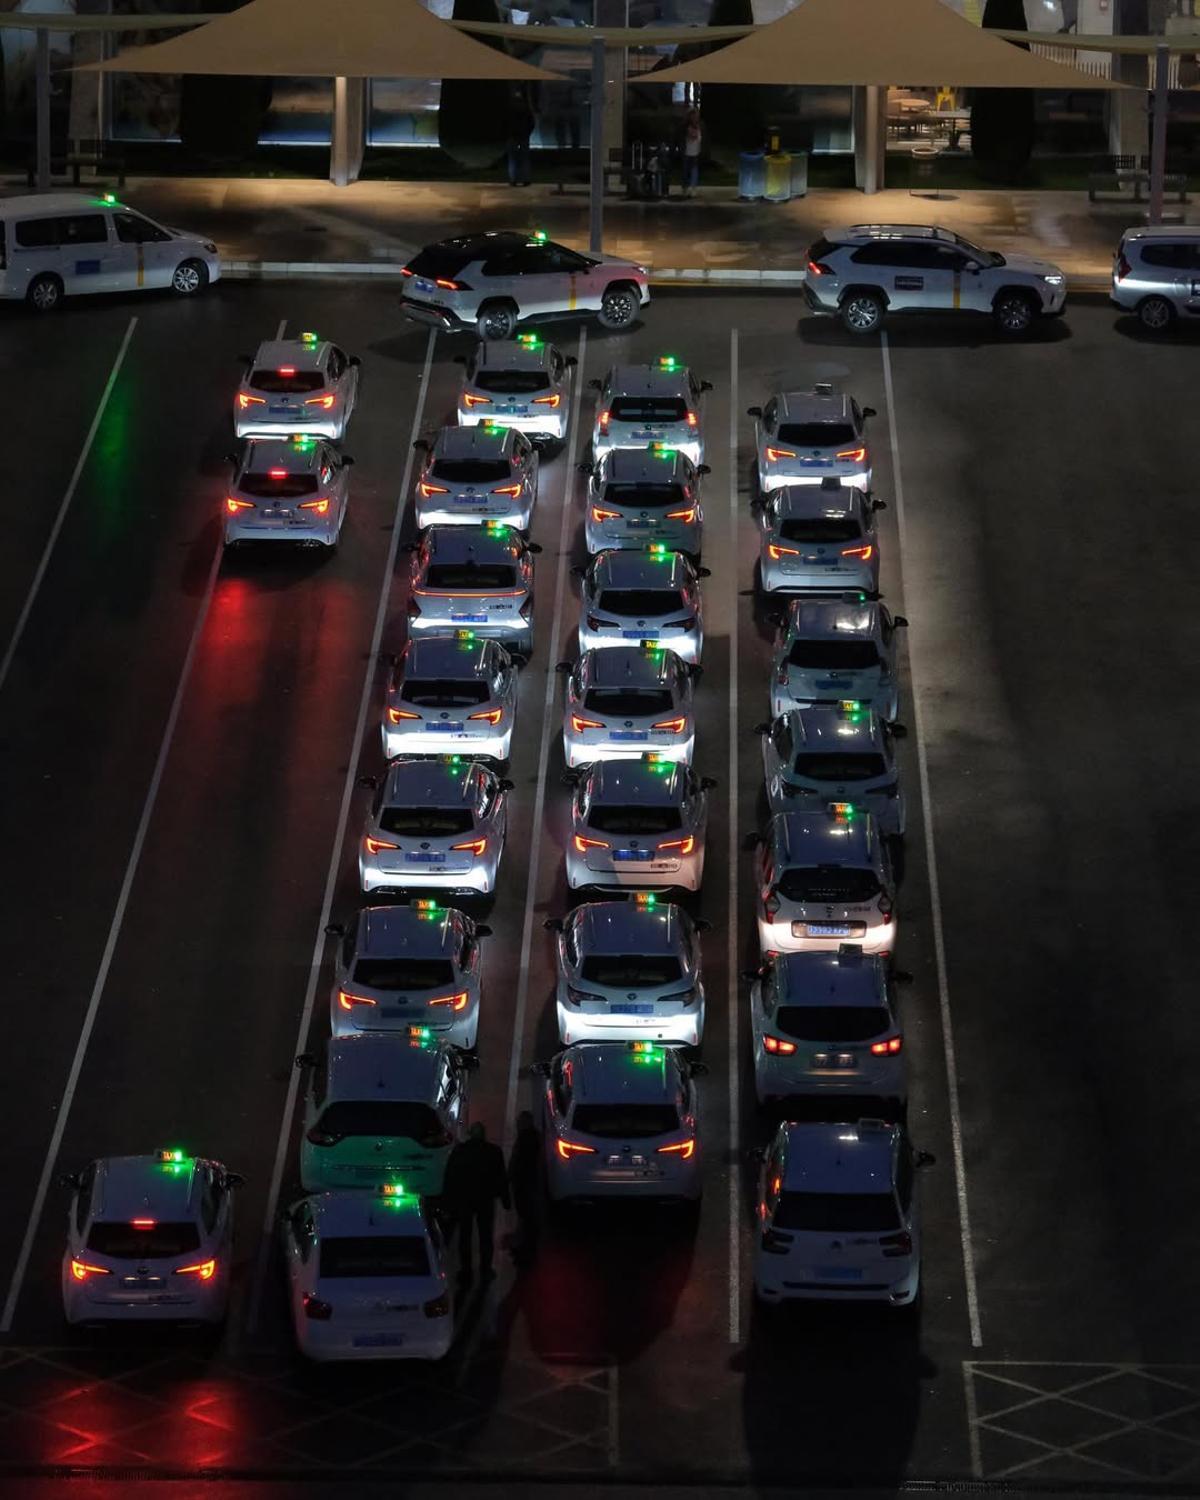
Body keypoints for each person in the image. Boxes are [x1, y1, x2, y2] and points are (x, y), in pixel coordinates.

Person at [443, 1121, 510, 1284]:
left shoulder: (460, 1151)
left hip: (465, 1200)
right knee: (485, 1236)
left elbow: (450, 1176)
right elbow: (501, 1177)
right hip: (485, 1200)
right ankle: (485, 1270)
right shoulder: (494, 1152)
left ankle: (466, 1271)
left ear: (470, 1134)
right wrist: (505, 1199)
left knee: (465, 1236)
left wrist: (448, 1201)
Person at [507, 1110, 542, 1266]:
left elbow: (515, 1162)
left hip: (523, 1182)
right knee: (529, 1214)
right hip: (531, 1182)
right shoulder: (537, 1138)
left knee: (525, 1214)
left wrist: (508, 1179)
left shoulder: (523, 1140)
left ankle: (524, 1248)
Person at [505, 84, 535, 188]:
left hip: (512, 135)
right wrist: (527, 132)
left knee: (512, 158)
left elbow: (505, 122)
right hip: (523, 135)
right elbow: (532, 123)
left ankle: (513, 179)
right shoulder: (526, 108)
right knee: (524, 158)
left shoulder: (509, 108)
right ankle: (526, 179)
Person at [681, 109, 702, 197]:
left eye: (696, 116)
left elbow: (699, 138)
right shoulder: (686, 126)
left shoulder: (699, 126)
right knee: (686, 171)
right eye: (693, 116)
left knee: (694, 171)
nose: (694, 118)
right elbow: (693, 136)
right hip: (687, 152)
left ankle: (693, 189)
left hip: (695, 152)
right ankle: (685, 189)